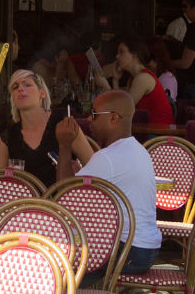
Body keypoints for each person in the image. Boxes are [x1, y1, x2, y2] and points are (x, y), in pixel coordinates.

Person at [55, 87, 162, 272]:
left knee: (57, 248)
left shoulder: (108, 157)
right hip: (147, 249)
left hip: (129, 252)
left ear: (113, 118)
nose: (88, 119)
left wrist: (65, 144)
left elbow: (65, 196)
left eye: (94, 114)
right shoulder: (138, 149)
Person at [0, 68, 62, 185]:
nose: (20, 88)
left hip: (58, 201)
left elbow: (93, 164)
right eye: (15, 87)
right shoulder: (8, 137)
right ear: (13, 99)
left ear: (42, 93)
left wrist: (78, 168)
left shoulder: (63, 124)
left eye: (27, 85)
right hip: (21, 201)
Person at [104, 36, 173, 129]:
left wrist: (105, 85)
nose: (117, 56)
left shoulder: (143, 78)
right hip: (146, 130)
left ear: (135, 53)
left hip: (159, 135)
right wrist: (115, 80)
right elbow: (121, 107)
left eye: (121, 51)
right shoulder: (133, 78)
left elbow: (123, 110)